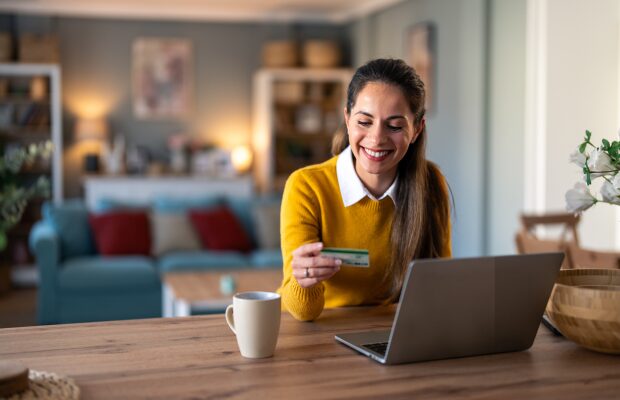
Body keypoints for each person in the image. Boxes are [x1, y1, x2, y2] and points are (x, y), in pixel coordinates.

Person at [278, 58, 452, 321]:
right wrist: (306, 281)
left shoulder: (430, 183)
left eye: (394, 126)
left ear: (416, 129)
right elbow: (303, 312)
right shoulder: (306, 186)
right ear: (347, 119)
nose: (376, 138)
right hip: (317, 330)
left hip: (393, 332)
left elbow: (439, 287)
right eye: (364, 122)